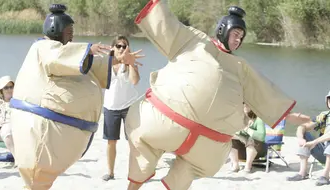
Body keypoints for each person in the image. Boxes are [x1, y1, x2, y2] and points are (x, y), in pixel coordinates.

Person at [124, 0, 296, 189]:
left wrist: (294, 117)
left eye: (241, 37)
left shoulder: (241, 68)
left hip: (206, 145)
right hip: (164, 122)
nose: (238, 40)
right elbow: (166, 24)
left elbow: (266, 95)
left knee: (188, 170)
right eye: (236, 34)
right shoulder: (194, 40)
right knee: (143, 146)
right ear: (223, 29)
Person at [9, 4, 144, 190]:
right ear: (56, 29)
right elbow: (57, 57)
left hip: (52, 130)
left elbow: (93, 67)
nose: (71, 35)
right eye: (69, 30)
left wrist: (120, 59)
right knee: (36, 180)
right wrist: (87, 48)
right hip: (39, 127)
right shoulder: (43, 48)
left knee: (39, 182)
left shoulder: (66, 57)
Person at [102, 36, 141, 181]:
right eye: (118, 46)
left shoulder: (131, 63)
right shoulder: (106, 63)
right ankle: (111, 173)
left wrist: (130, 63)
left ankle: (135, 172)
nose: (122, 49)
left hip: (128, 106)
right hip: (110, 107)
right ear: (112, 48)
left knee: (133, 141)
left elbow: (135, 81)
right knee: (111, 141)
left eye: (125, 46)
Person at [286, 90, 330, 186]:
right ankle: (302, 173)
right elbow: (303, 126)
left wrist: (315, 142)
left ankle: (325, 176)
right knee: (305, 134)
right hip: (323, 152)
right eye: (329, 99)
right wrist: (301, 138)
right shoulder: (324, 116)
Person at [229, 103, 266, 173]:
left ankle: (248, 166)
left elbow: (261, 135)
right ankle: (235, 165)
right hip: (242, 152)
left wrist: (247, 129)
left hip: (258, 152)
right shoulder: (240, 119)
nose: (245, 106)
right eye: (243, 104)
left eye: (248, 104)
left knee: (250, 140)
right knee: (231, 138)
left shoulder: (258, 119)